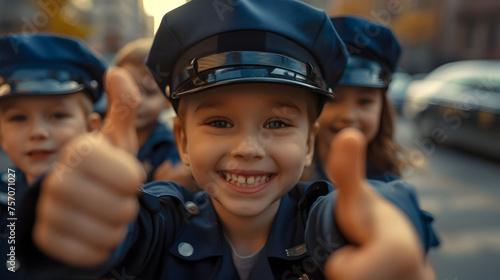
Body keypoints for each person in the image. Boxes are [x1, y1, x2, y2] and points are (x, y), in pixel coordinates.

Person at [17, 1, 438, 279]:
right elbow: (124, 229)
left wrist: (392, 220)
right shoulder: (163, 222)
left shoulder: (319, 225)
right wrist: (69, 210)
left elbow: (358, 209)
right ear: (181, 139)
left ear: (310, 143)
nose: (248, 148)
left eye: (276, 124)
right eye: (219, 123)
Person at [0, 33, 106, 279]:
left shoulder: (112, 200)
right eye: (18, 118)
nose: (37, 132)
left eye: (57, 116)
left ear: (91, 127)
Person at [304, 15, 413, 183]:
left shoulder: (392, 185)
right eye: (332, 99)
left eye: (364, 101)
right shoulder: (288, 184)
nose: (348, 115)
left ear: (382, 108)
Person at [113, 38, 198, 190]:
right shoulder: (98, 136)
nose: (137, 101)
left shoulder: (172, 146)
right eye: (128, 91)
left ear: (167, 101)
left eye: (149, 93)